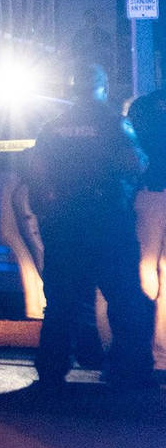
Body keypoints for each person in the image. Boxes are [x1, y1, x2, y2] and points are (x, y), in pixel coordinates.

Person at [27, 63, 156, 392]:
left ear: (73, 88)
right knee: (124, 298)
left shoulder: (53, 126)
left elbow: (38, 169)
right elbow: (134, 162)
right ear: (102, 86)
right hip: (107, 220)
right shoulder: (113, 122)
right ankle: (130, 370)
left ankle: (51, 370)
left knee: (61, 302)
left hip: (65, 222)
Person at [129, 86, 166, 368]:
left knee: (145, 263)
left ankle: (143, 342)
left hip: (147, 190)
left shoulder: (141, 106)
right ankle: (162, 345)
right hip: (154, 190)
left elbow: (133, 146)